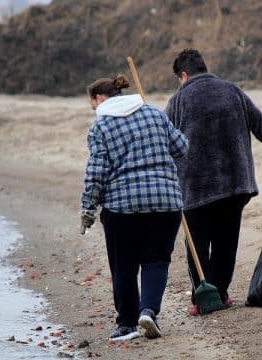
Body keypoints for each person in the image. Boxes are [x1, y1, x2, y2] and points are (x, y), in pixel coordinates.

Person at [164, 49, 262, 315]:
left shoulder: (177, 101)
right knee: (227, 240)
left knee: (197, 243)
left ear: (184, 75)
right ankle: (221, 293)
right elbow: (261, 124)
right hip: (235, 182)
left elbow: (164, 140)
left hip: (196, 186)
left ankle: (201, 298)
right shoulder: (232, 91)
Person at [79, 74, 188, 341]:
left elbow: (96, 173)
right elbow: (181, 146)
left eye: (92, 104)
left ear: (100, 99)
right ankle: (148, 311)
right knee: (157, 259)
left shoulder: (101, 127)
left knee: (124, 264)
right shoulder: (154, 113)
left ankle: (127, 324)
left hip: (122, 208)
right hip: (165, 201)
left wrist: (87, 209)